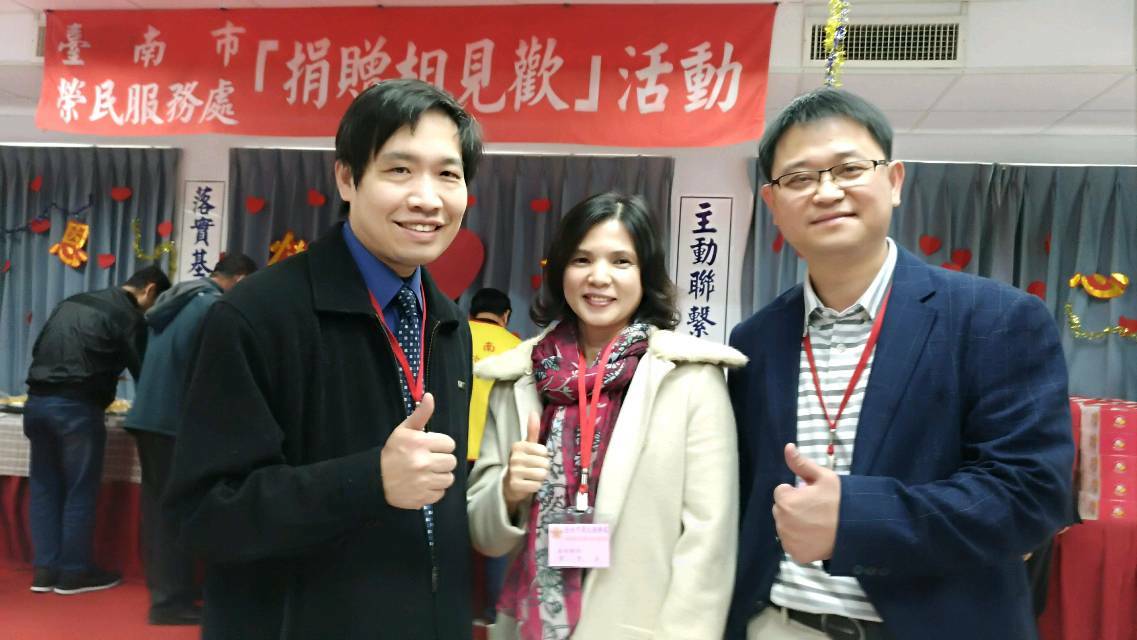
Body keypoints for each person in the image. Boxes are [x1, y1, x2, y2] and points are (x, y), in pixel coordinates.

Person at [726, 88, 1074, 640]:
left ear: (893, 180)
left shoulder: (996, 318)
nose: (826, 191)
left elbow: (1031, 495)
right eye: (799, 178)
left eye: (848, 169)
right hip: (778, 624)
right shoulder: (756, 339)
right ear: (772, 203)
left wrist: (856, 517)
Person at [163, 79, 483, 639]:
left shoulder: (449, 323)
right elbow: (206, 515)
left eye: (447, 175)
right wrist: (370, 480)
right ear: (347, 178)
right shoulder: (257, 315)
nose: (427, 198)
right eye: (400, 170)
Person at [467, 192, 744, 639]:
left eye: (621, 261)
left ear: (645, 274)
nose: (599, 277)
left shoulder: (690, 379)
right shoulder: (517, 376)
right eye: (582, 259)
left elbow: (708, 541)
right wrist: (508, 492)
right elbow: (484, 534)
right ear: (561, 270)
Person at [123, 252, 257, 625]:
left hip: (149, 417)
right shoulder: (212, 307)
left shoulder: (175, 301)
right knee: (177, 510)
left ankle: (167, 590)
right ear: (241, 279)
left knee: (158, 509)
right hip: (174, 422)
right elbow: (214, 373)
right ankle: (169, 602)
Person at [24, 265, 171, 595]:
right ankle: (74, 573)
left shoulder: (72, 302)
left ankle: (44, 571)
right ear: (150, 290)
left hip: (36, 403)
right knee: (79, 489)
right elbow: (145, 371)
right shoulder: (129, 317)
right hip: (77, 408)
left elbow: (39, 350)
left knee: (44, 486)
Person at [465, 287, 522, 625]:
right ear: (506, 316)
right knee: (496, 536)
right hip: (495, 454)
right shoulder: (517, 347)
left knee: (449, 532)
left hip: (450, 450)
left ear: (471, 312)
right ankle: (493, 613)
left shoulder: (455, 335)